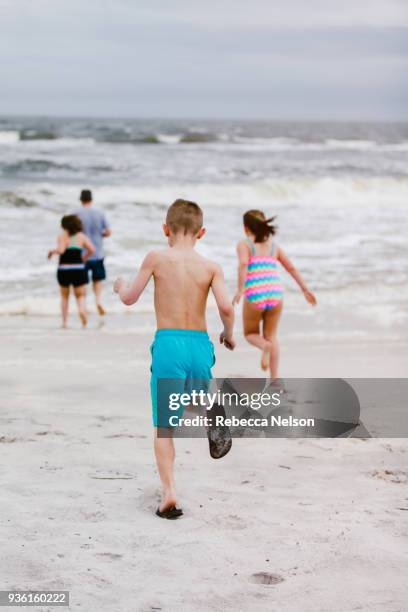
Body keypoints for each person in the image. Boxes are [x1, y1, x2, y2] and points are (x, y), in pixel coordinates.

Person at [114, 199, 235, 519]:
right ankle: (213, 408)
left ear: (165, 229)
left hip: (168, 344)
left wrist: (120, 286)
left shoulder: (156, 258)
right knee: (194, 395)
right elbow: (226, 307)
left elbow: (129, 298)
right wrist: (229, 333)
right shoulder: (211, 267)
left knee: (165, 427)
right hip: (199, 344)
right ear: (202, 232)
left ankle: (169, 493)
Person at [233, 209, 316, 378]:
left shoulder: (245, 244)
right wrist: (305, 289)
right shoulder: (274, 247)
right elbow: (291, 268)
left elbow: (243, 265)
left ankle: (264, 347)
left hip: (255, 293)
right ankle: (275, 377)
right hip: (275, 294)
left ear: (245, 228)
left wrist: (240, 289)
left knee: (250, 334)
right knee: (272, 336)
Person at [48, 215, 95, 328]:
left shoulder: (62, 236)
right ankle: (82, 311)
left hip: (64, 269)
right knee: (80, 295)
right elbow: (92, 250)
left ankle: (64, 322)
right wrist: (84, 258)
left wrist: (51, 251)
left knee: (65, 296)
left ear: (65, 226)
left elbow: (61, 250)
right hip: (78, 269)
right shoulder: (81, 236)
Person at [75, 189, 111, 316]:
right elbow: (108, 231)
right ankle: (98, 301)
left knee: (82, 282)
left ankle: (83, 307)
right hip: (98, 252)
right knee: (97, 280)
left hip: (82, 255)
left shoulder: (76, 213)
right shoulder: (99, 212)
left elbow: (71, 232)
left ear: (81, 199)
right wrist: (100, 234)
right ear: (91, 199)